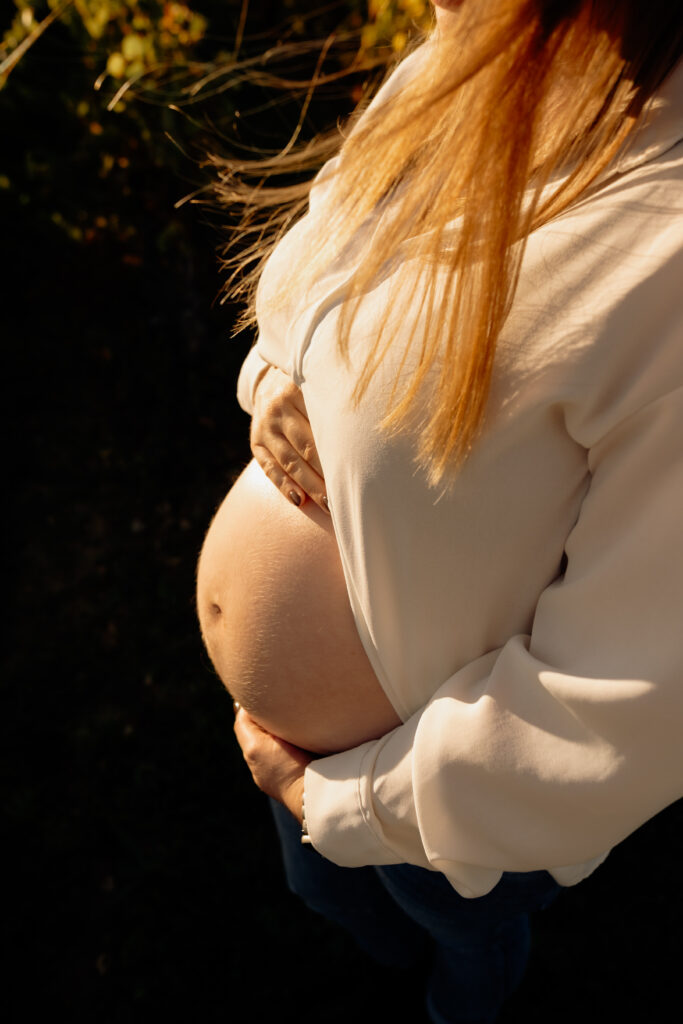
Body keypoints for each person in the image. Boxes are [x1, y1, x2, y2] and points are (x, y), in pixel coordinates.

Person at [197, 2, 683, 1020]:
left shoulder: (663, 254)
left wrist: (336, 799)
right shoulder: (467, 73)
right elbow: (310, 265)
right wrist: (272, 375)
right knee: (322, 887)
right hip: (307, 751)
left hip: (449, 815)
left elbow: (628, 710)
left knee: (463, 938)